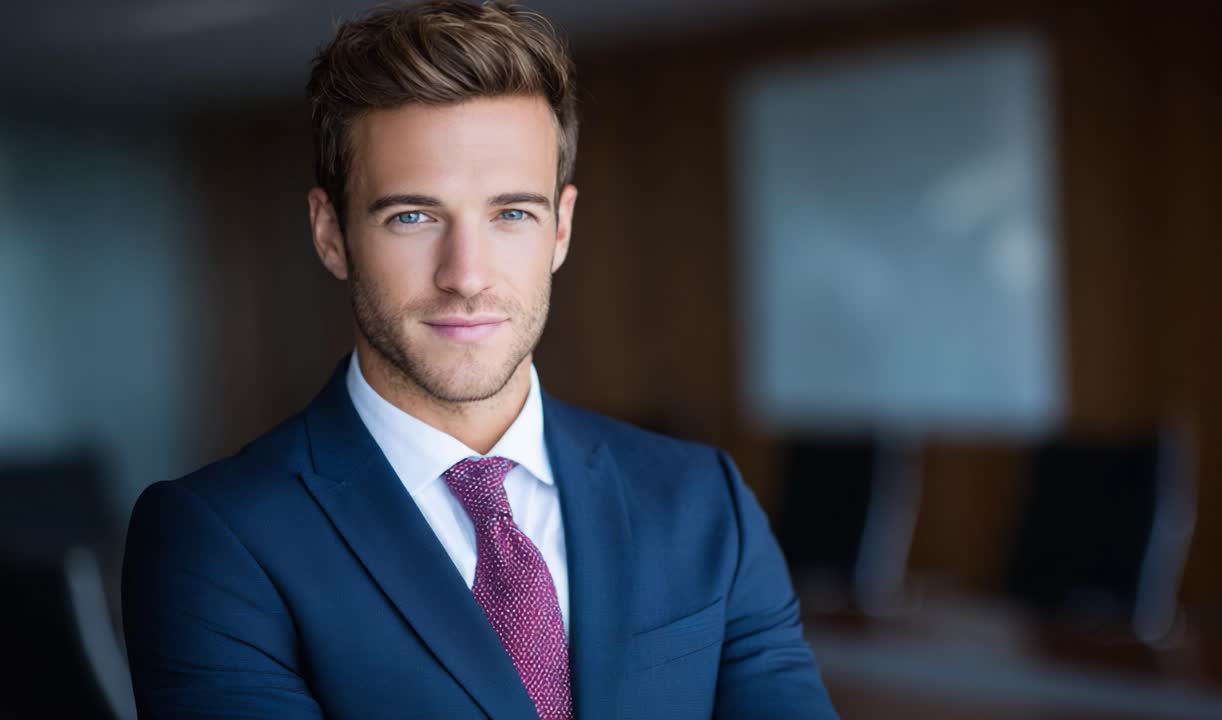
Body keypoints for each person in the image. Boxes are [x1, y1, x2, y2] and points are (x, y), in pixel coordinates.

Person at [121, 2, 837, 718]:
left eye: (511, 214)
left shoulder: (703, 502)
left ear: (560, 228)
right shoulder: (215, 542)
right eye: (413, 216)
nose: (465, 274)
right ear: (331, 234)